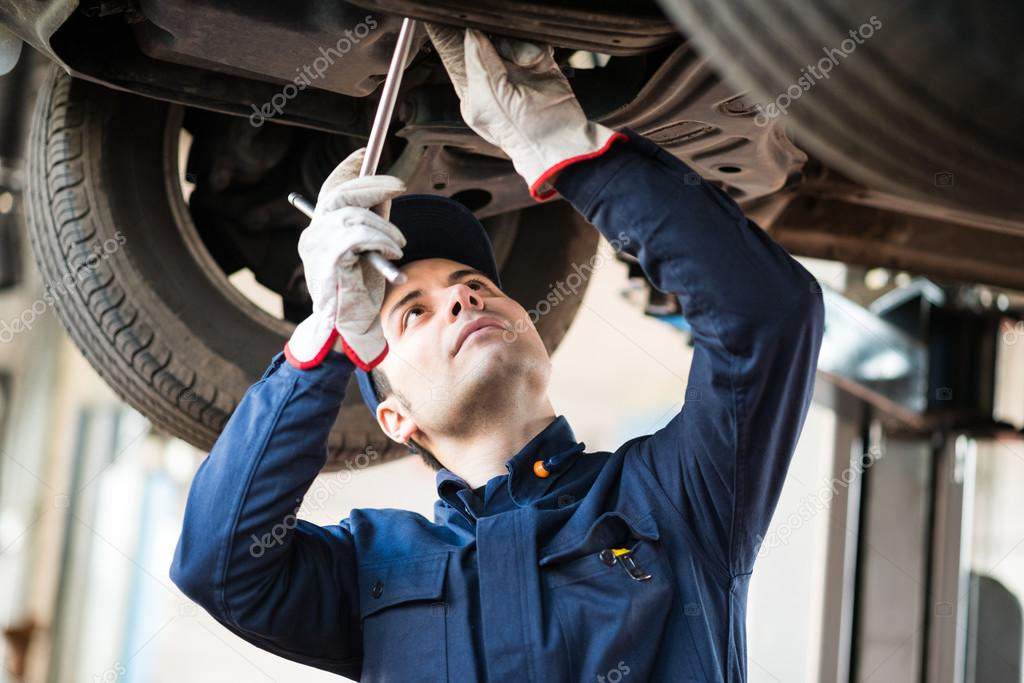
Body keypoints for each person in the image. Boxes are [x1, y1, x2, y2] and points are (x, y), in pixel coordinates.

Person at [169, 24, 825, 682]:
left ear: (536, 337)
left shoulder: (674, 495)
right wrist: (324, 340)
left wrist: (571, 154)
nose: (460, 300)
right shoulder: (369, 571)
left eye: (474, 284)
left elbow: (767, 314)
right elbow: (217, 565)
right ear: (396, 418)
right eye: (414, 311)